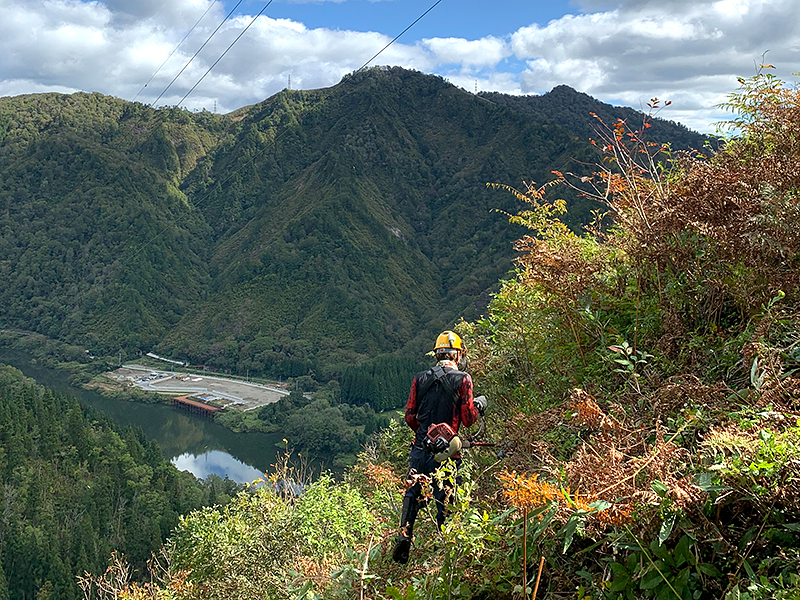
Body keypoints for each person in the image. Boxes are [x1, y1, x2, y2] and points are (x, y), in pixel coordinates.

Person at [391, 330, 486, 564]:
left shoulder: (420, 378)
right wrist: (478, 406)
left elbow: (410, 416)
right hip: (448, 452)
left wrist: (426, 434)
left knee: (413, 491)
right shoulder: (463, 379)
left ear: (437, 354)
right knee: (446, 497)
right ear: (458, 355)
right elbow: (468, 419)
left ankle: (404, 535)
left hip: (421, 447)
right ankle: (445, 547)